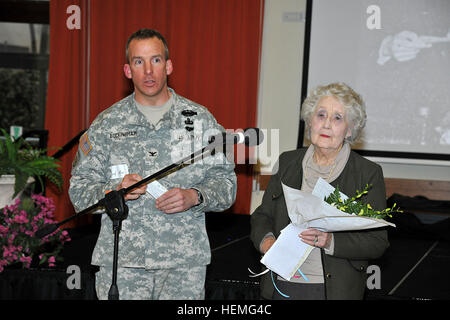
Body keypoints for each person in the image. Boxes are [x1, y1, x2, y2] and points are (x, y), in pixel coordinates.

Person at [69, 28, 237, 300]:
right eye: (139, 61)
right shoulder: (106, 125)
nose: (148, 70)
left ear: (168, 65)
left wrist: (194, 196)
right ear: (127, 70)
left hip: (183, 267)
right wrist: (114, 190)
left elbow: (227, 186)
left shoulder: (201, 120)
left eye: (156, 60)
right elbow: (78, 193)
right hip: (123, 267)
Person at [250, 82, 389, 300]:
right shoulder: (288, 162)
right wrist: (267, 241)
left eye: (337, 118)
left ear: (349, 129)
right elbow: (262, 215)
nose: (326, 125)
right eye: (321, 115)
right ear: (310, 121)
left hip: (330, 290)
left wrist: (330, 241)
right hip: (280, 283)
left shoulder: (366, 174)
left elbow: (377, 242)